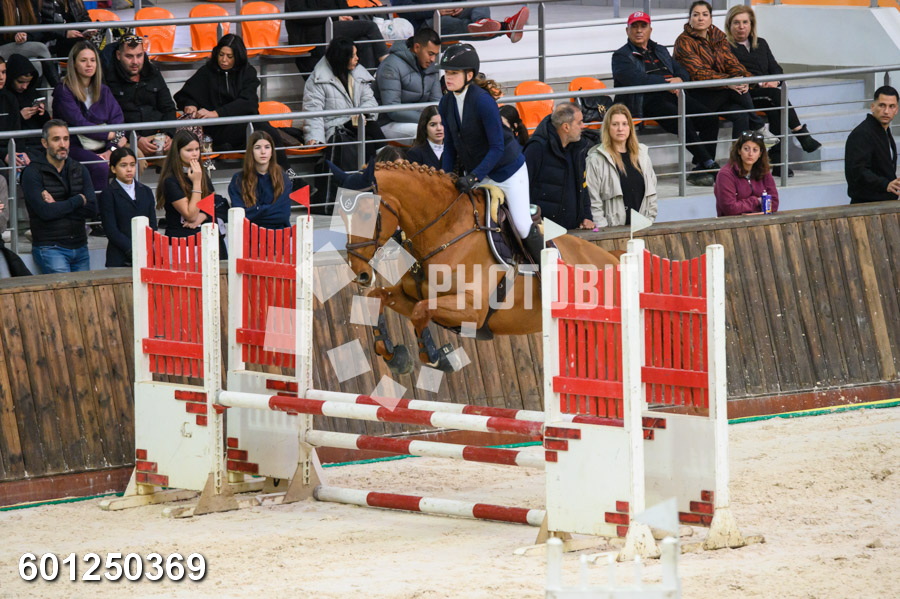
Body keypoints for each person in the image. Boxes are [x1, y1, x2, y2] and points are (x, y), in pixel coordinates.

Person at [437, 44, 540, 261]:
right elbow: (450, 146)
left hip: (507, 171)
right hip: (479, 171)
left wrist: (473, 176)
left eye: (454, 73)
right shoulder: (446, 102)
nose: (448, 77)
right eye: (446, 72)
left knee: (522, 225)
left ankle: (548, 268)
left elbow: (497, 147)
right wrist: (444, 177)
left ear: (469, 75)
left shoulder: (483, 101)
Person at [612, 11, 720, 186]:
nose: (639, 31)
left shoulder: (660, 50)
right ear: (627, 31)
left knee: (709, 118)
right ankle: (709, 164)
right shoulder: (621, 56)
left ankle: (701, 167)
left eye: (643, 26)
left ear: (650, 30)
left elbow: (681, 70)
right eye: (634, 27)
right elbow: (636, 79)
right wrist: (667, 83)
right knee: (682, 120)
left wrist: (680, 79)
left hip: (672, 94)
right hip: (644, 100)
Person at [725, 5, 821, 177]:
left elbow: (777, 69)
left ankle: (777, 162)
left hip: (767, 95)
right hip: (744, 95)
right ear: (729, 25)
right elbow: (734, 74)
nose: (741, 27)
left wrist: (775, 80)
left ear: (751, 24)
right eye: (736, 23)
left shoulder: (761, 43)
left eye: (745, 22)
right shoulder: (725, 47)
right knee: (776, 96)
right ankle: (800, 133)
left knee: (777, 109)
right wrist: (762, 83)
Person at [174, 34, 292, 171]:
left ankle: (286, 176)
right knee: (265, 134)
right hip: (215, 129)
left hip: (242, 125)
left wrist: (217, 113)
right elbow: (183, 95)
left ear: (238, 57)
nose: (224, 60)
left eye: (230, 56)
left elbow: (249, 103)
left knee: (267, 135)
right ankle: (289, 177)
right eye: (221, 55)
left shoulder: (247, 72)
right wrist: (190, 104)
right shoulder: (206, 72)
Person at [673, 1, 764, 144]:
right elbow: (698, 73)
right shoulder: (683, 41)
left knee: (742, 115)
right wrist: (729, 82)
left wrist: (743, 80)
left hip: (720, 91)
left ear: (710, 18)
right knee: (734, 89)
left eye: (705, 14)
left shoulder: (718, 38)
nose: (700, 18)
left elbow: (732, 63)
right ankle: (759, 127)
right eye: (696, 15)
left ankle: (737, 156)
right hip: (698, 94)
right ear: (690, 19)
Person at [21, 119, 98, 273]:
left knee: (84, 290)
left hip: (80, 246)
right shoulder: (32, 173)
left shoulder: (79, 169)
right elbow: (45, 212)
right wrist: (78, 200)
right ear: (44, 143)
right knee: (65, 289)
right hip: (50, 247)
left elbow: (92, 209)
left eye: (66, 139)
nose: (63, 144)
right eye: (56, 139)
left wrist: (57, 205)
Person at [52, 40, 126, 192]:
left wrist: (110, 150)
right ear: (74, 64)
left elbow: (118, 122)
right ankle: (97, 207)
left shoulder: (103, 90)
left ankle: (122, 204)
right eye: (83, 60)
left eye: (92, 60)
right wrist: (108, 134)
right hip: (72, 145)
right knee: (100, 166)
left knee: (128, 161)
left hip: (105, 146)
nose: (89, 65)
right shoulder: (63, 90)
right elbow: (78, 123)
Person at [104, 35, 178, 163]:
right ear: (118, 55)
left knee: (183, 153)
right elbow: (108, 118)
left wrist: (168, 135)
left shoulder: (153, 73)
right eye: (129, 56)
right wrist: (136, 139)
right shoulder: (108, 78)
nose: (135, 62)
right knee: (136, 160)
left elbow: (168, 108)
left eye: (139, 55)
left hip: (157, 135)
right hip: (126, 139)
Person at [302, 37, 383, 154]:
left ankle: (385, 160)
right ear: (342, 58)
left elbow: (370, 100)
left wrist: (362, 114)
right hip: (335, 128)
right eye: (353, 56)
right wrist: (315, 139)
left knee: (369, 136)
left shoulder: (359, 74)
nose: (357, 58)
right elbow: (313, 111)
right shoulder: (317, 80)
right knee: (371, 128)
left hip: (358, 124)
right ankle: (389, 158)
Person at [585, 103, 657, 228]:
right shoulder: (595, 159)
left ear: (630, 127)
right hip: (611, 231)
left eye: (624, 124)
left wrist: (649, 220)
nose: (620, 129)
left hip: (642, 227)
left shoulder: (643, 155)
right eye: (615, 124)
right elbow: (593, 201)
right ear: (607, 127)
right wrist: (604, 231)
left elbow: (652, 193)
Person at [523, 103, 592, 230]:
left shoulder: (578, 148)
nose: (583, 126)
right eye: (579, 122)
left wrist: (587, 216)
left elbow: (583, 186)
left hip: (574, 229)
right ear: (566, 127)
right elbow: (522, 188)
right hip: (544, 230)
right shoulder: (536, 148)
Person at [374, 27, 441, 141]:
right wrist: (427, 120)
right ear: (417, 47)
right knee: (427, 132)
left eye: (435, 54)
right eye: (430, 54)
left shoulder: (431, 67)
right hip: (388, 122)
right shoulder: (391, 65)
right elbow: (392, 110)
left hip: (423, 120)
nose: (433, 59)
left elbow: (437, 102)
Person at [285, 0, 389, 73]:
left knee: (364, 41)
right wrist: (335, 17)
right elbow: (299, 13)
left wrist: (347, 15)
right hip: (308, 32)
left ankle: (365, 84)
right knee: (370, 26)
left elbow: (343, 7)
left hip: (332, 26)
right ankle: (388, 66)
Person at [99, 147, 156, 267]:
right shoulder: (108, 194)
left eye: (132, 165)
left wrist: (146, 248)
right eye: (123, 165)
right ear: (113, 168)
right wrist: (132, 250)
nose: (129, 169)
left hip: (146, 254)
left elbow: (152, 223)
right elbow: (111, 230)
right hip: (119, 257)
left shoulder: (146, 191)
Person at [845, 86, 900, 204]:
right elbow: (858, 171)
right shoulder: (862, 133)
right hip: (866, 206)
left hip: (884, 204)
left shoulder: (884, 132)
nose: (886, 111)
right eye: (882, 105)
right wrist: (885, 184)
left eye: (891, 106)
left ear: (896, 110)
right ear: (872, 107)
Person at [156, 130, 214, 238]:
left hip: (204, 237)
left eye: (197, 149)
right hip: (180, 239)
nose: (195, 154)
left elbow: (213, 203)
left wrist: (203, 215)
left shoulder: (201, 173)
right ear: (178, 152)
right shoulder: (170, 180)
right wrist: (196, 182)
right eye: (189, 150)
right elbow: (191, 215)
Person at [228, 131, 292, 229]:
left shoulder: (283, 178)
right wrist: (270, 209)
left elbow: (282, 215)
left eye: (267, 147)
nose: (263, 152)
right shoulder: (238, 179)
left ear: (272, 151)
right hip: (250, 234)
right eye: (257, 147)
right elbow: (240, 215)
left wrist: (255, 211)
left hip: (278, 233)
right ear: (251, 152)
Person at [392, 0, 529, 44]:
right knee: (447, 23)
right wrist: (436, 10)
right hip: (423, 23)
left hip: (451, 10)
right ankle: (507, 27)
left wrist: (460, 5)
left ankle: (481, 22)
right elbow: (403, 9)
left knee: (479, 4)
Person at [714, 130, 779, 216]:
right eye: (746, 149)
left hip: (762, 220)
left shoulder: (764, 171)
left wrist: (744, 206)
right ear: (739, 150)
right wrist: (757, 201)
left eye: (755, 150)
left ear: (760, 153)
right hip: (733, 223)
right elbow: (730, 209)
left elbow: (774, 204)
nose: (750, 154)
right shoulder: (725, 174)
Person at [0, 0, 58, 86]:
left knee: (36, 64)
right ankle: (60, 89)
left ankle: (38, 94)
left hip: (23, 46)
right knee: (41, 49)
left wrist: (26, 36)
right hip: (3, 48)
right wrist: (14, 37)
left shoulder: (29, 2)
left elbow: (39, 30)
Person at [6, 53, 49, 155]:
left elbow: (46, 123)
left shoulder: (31, 93)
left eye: (28, 82)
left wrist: (41, 113)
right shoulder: (5, 96)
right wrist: (19, 117)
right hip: (18, 146)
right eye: (20, 82)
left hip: (39, 142)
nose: (24, 86)